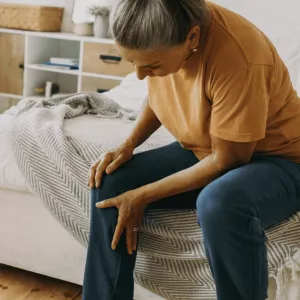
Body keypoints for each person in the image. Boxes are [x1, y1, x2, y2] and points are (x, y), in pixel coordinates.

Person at [83, 1, 300, 299]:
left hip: (280, 158)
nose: (141, 76)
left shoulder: (240, 56)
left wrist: (143, 195)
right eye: (133, 64)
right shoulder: (165, 28)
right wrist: (128, 145)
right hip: (208, 146)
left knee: (219, 202)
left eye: (152, 65)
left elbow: (228, 159)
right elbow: (161, 91)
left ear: (193, 39)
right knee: (110, 181)